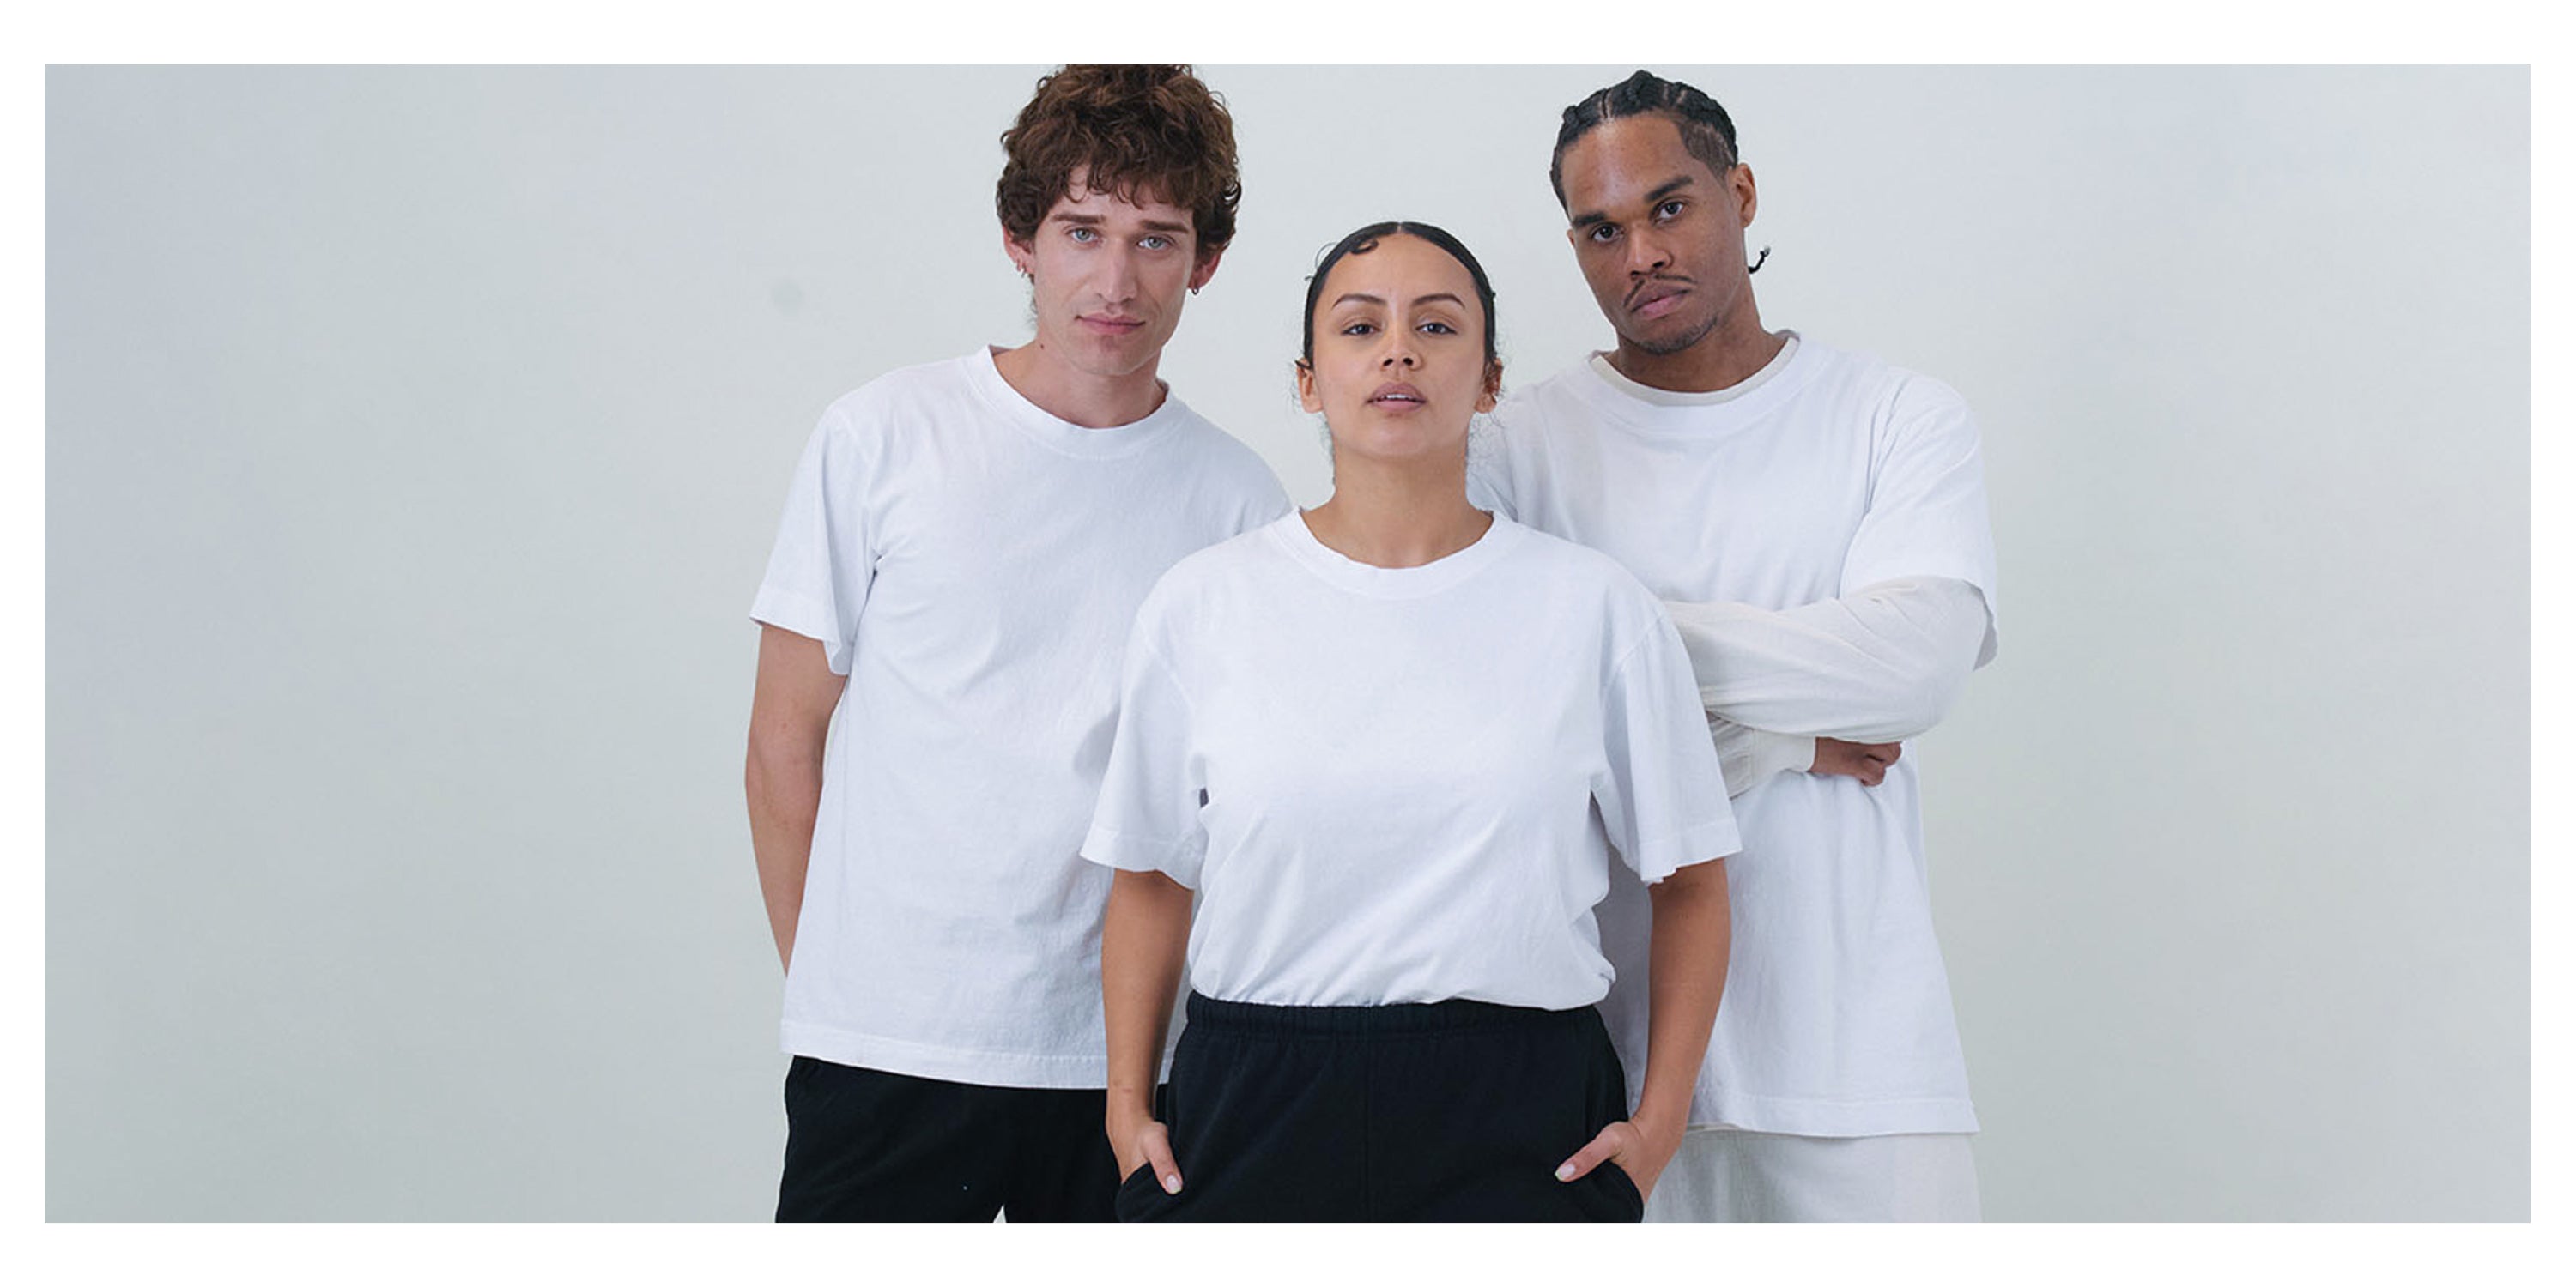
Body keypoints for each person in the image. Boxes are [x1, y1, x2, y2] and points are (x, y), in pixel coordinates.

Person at [1083, 221, 1740, 1222]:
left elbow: (1690, 881)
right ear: (1308, 381)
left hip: (1521, 1112)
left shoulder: (1593, 608)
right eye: (1360, 327)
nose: (1398, 350)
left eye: (1436, 325)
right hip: (1254, 1103)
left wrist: (1655, 1131)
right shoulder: (1204, 604)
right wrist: (1125, 1109)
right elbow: (1148, 878)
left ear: (1488, 379)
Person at [742, 64, 1288, 1222]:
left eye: (1156, 239)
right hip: (886, 1043)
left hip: (1127, 1066)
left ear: (1206, 262)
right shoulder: (885, 434)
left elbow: (1233, 807)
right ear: (1018, 240)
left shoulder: (1238, 501)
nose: (1114, 278)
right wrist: (838, 987)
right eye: (1081, 230)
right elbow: (784, 744)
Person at [1467, 70, 2001, 1222]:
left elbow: (1919, 662)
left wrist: (1615, 644)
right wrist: (1802, 740)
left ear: (1740, 192)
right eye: (1600, 230)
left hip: (1856, 1052)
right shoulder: (1517, 447)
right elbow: (1484, 702)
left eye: (1670, 207)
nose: (1639, 254)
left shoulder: (1894, 416)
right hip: (1604, 1066)